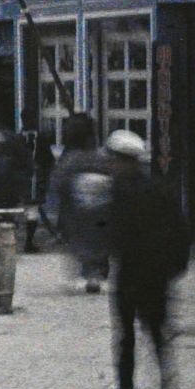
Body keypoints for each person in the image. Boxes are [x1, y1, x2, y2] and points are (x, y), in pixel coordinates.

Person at [104, 129, 188, 389]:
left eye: (115, 160)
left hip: (130, 272)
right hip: (157, 273)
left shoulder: (119, 193)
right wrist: (176, 266)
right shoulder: (161, 189)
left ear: (125, 161)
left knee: (126, 334)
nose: (112, 166)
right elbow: (180, 230)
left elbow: (114, 234)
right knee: (157, 333)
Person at [46, 112, 112, 292]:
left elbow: (59, 184)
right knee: (97, 240)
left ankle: (90, 273)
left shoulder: (69, 160)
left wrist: (55, 213)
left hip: (76, 209)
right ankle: (95, 273)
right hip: (101, 207)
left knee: (81, 240)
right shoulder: (100, 157)